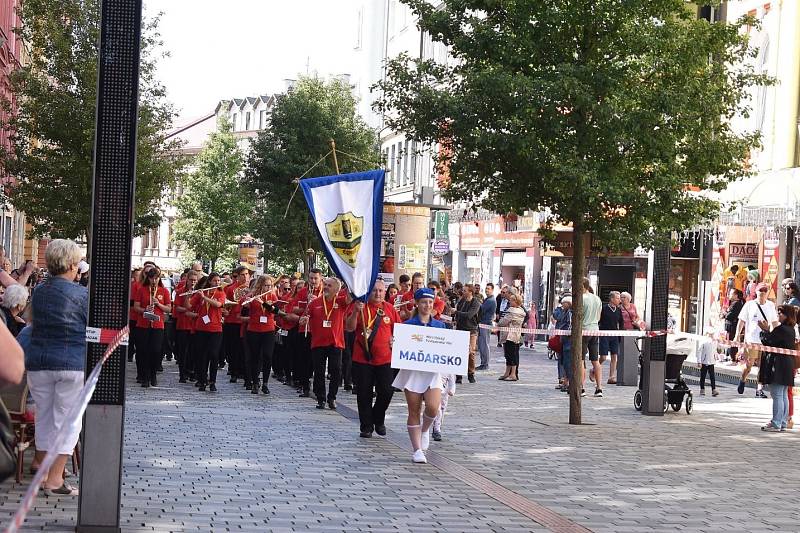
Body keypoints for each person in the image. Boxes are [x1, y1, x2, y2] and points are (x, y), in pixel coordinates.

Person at [25, 239, 88, 496]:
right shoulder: (82, 295)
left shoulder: (39, 291)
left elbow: (31, 320)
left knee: (45, 417)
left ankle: (41, 469)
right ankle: (55, 478)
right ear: (72, 265)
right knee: (68, 421)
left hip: (39, 361)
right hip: (71, 362)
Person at [391, 288, 446, 464]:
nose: (427, 305)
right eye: (424, 302)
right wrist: (394, 345)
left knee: (433, 407)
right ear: (417, 303)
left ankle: (425, 430)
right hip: (413, 372)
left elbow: (447, 349)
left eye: (430, 302)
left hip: (432, 372)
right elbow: (399, 348)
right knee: (413, 410)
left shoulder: (440, 325)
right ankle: (417, 450)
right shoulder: (407, 326)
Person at [345, 279, 400, 437]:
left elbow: (399, 330)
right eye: (374, 290)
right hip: (363, 358)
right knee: (364, 393)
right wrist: (355, 311)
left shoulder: (389, 309)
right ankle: (366, 426)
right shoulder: (360, 307)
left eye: (381, 291)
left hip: (385, 359)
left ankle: (378, 417)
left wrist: (394, 339)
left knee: (387, 391)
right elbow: (349, 327)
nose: (378, 294)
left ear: (385, 292)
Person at [298, 277, 350, 410]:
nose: (326, 287)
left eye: (329, 285)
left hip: (335, 343)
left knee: (336, 370)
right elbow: (306, 316)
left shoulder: (340, 301)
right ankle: (321, 398)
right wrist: (304, 319)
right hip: (318, 343)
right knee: (319, 371)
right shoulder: (315, 302)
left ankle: (332, 397)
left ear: (337, 289)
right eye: (325, 284)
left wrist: (351, 281)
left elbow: (350, 299)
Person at [735, 282, 779, 398]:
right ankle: (743, 379)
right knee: (748, 365)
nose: (763, 293)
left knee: (762, 366)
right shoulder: (749, 305)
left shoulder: (770, 305)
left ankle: (759, 389)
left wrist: (775, 335)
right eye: (760, 290)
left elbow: (774, 322)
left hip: (765, 341)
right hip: (751, 340)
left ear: (767, 292)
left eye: (765, 290)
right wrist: (737, 335)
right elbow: (741, 321)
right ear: (756, 292)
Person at [758, 305, 798, 431]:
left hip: (779, 364)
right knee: (783, 394)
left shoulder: (782, 329)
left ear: (787, 315)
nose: (778, 315)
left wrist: (765, 330)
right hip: (787, 364)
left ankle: (776, 422)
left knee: (777, 395)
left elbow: (768, 340)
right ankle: (782, 422)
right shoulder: (791, 330)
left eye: (781, 313)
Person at [132, 264, 172, 388]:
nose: (154, 281)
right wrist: (145, 310)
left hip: (157, 325)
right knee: (143, 351)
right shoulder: (141, 290)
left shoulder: (164, 291)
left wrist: (158, 304)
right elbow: (136, 307)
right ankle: (145, 376)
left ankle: (153, 374)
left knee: (155, 351)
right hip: (143, 325)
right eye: (151, 278)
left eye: (156, 278)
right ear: (148, 278)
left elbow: (169, 308)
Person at [245, 275, 279, 395]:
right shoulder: (253, 295)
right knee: (255, 356)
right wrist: (248, 299)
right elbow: (243, 306)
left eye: (270, 285)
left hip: (268, 329)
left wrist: (263, 303)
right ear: (260, 285)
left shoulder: (272, 295)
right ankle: (255, 382)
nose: (268, 287)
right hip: (254, 329)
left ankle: (265, 383)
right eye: (266, 285)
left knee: (267, 356)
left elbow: (275, 311)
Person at [194, 272, 226, 392]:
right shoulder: (202, 292)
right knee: (202, 356)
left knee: (213, 355)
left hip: (216, 329)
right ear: (209, 282)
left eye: (218, 281)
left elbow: (218, 304)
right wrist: (189, 295)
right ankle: (202, 380)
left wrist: (204, 298)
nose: (217, 283)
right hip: (202, 328)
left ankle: (213, 381)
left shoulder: (220, 293)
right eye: (215, 281)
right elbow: (189, 305)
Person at [223, 265, 251, 383]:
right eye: (242, 275)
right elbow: (227, 304)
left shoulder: (251, 289)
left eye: (247, 274)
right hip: (232, 321)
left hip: (244, 321)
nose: (245, 277)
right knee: (233, 348)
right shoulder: (231, 289)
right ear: (237, 276)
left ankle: (243, 371)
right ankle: (233, 371)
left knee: (244, 348)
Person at [174, 270, 198, 382]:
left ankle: (191, 371)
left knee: (193, 351)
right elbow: (177, 308)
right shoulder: (180, 292)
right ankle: (182, 374)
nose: (193, 282)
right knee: (183, 351)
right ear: (187, 280)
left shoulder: (198, 292)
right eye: (191, 280)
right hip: (183, 324)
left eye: (195, 280)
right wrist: (187, 306)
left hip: (195, 325)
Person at [454, 284, 480, 383]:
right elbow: (459, 314)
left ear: (470, 292)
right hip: (460, 329)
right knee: (459, 352)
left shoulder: (475, 303)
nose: (463, 292)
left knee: (471, 352)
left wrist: (456, 312)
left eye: (465, 290)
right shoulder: (462, 301)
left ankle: (471, 373)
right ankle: (459, 375)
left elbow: (469, 315)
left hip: (471, 330)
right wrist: (455, 318)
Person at [598, 291, 624, 390]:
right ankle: (594, 369)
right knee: (603, 357)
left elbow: (621, 323)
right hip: (604, 334)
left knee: (614, 357)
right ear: (612, 299)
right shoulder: (604, 308)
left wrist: (620, 334)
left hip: (614, 335)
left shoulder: (619, 310)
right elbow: (599, 320)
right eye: (618, 298)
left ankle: (611, 377)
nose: (619, 300)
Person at [496, 292, 525, 381]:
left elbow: (503, 322)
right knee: (512, 354)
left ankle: (512, 374)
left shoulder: (512, 311)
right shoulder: (521, 311)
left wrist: (499, 322)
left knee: (510, 355)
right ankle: (507, 373)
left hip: (509, 335)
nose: (510, 302)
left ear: (516, 302)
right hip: (516, 335)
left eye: (511, 300)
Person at [581, 278, 602, 398]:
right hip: (595, 330)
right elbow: (599, 317)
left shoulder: (581, 298)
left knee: (581, 360)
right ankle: (599, 388)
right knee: (595, 360)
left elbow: (578, 316)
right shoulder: (597, 298)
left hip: (583, 331)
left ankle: (581, 388)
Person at [555, 296, 573, 393]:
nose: (562, 305)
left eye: (564, 303)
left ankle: (568, 383)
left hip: (568, 340)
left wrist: (566, 334)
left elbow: (569, 325)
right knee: (564, 362)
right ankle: (566, 382)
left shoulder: (569, 313)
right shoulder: (563, 312)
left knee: (567, 362)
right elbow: (555, 315)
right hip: (564, 339)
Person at [476, 283, 496, 370]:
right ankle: (483, 363)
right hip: (482, 324)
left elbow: (481, 309)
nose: (486, 290)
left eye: (488, 289)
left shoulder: (491, 300)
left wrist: (477, 302)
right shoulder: (488, 299)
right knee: (481, 344)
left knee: (484, 344)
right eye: (486, 288)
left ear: (492, 290)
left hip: (486, 324)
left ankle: (485, 364)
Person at [431, 373, 456, 441]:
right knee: (438, 410)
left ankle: (437, 426)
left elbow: (452, 382)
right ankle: (437, 430)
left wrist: (452, 390)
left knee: (442, 410)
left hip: (444, 393)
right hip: (434, 391)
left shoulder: (448, 369)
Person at [722, 289, 745, 363]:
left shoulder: (736, 304)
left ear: (736, 295)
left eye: (731, 293)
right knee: (729, 342)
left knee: (732, 342)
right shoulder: (734, 303)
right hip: (730, 326)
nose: (729, 295)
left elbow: (730, 315)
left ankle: (733, 360)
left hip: (732, 327)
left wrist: (724, 313)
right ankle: (730, 357)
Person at [696, 332, 719, 397]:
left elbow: (715, 351)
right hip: (704, 362)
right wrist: (699, 362)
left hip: (711, 362)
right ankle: (702, 389)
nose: (711, 336)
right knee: (703, 376)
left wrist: (716, 357)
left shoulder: (714, 342)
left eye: (712, 334)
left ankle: (713, 389)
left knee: (712, 376)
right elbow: (699, 352)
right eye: (710, 334)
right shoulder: (703, 342)